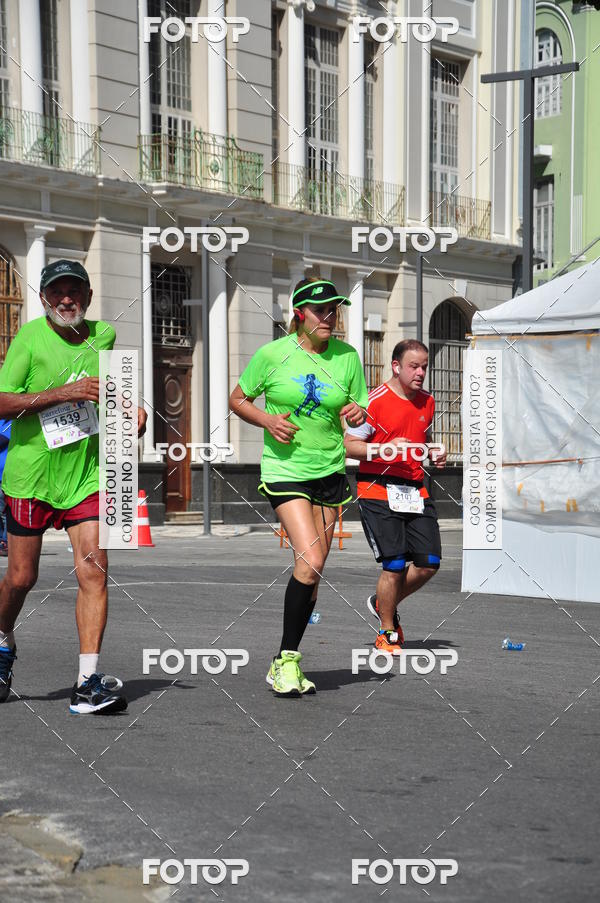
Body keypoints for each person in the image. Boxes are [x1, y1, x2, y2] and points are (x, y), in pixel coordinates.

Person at [0, 260, 147, 712]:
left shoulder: (104, 336)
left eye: (75, 291)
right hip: (32, 476)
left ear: (86, 295)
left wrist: (132, 410)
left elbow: (107, 389)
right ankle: (3, 641)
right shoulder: (29, 339)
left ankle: (88, 683)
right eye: (58, 292)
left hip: (87, 477)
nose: (68, 299)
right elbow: (3, 402)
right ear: (44, 299)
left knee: (94, 570)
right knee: (23, 577)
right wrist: (65, 393)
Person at [229, 277, 368, 696]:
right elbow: (237, 399)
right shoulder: (273, 354)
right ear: (300, 314)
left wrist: (358, 414)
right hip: (285, 471)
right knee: (309, 561)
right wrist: (268, 421)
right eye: (321, 311)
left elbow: (358, 412)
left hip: (329, 469)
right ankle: (287, 661)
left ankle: (283, 660)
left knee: (315, 568)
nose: (330, 317)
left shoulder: (347, 357)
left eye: (334, 310)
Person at [344, 339, 447, 655]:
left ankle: (381, 602)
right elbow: (349, 445)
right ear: (396, 366)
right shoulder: (373, 401)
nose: (420, 373)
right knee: (395, 564)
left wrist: (434, 450)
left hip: (414, 489)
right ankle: (387, 631)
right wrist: (384, 448)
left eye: (424, 367)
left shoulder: (427, 402)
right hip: (377, 488)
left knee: (429, 563)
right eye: (414, 366)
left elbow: (421, 438)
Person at [0, 419, 11, 556]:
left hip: (6, 475)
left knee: (5, 513)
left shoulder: (10, 421)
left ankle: (6, 542)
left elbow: (2, 440)